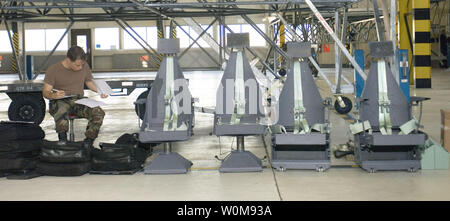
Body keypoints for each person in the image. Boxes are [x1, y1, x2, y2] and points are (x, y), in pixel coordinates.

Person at [42, 46, 108, 146]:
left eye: (82, 65)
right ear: (68, 60)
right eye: (77, 65)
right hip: (60, 100)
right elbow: (45, 92)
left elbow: (89, 82)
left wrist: (100, 91)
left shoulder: (84, 65)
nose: (80, 67)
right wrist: (54, 95)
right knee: (61, 110)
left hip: (78, 100)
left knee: (98, 112)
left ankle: (88, 142)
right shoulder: (53, 70)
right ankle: (63, 141)